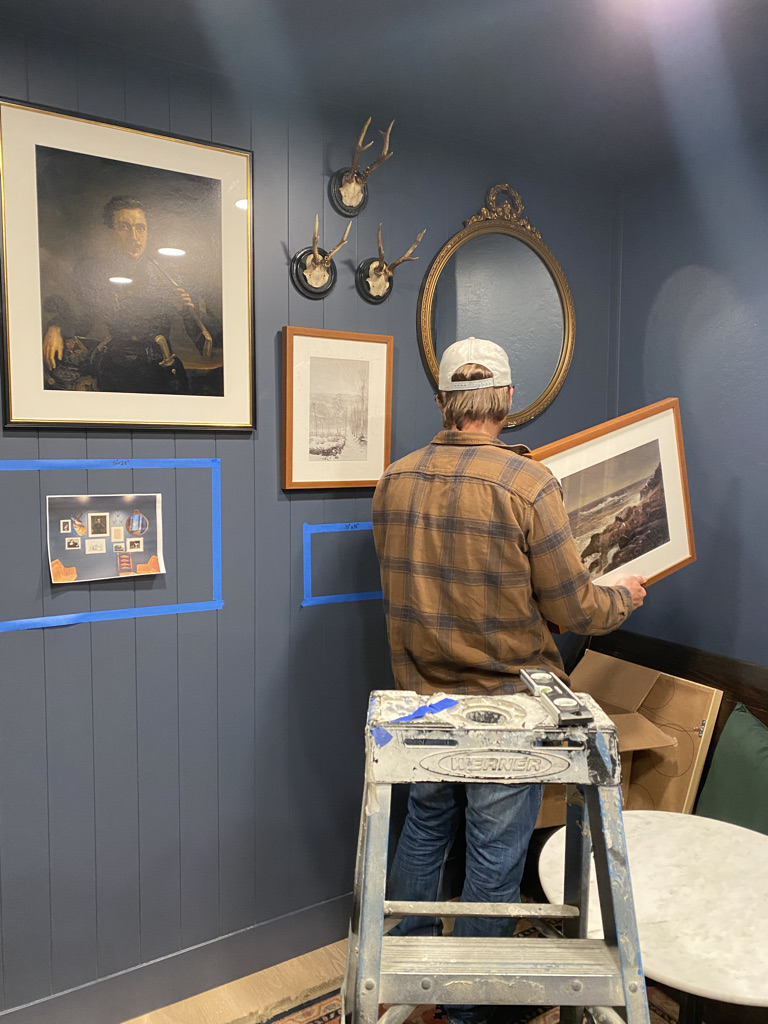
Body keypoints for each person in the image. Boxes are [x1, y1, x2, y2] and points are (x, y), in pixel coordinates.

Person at [371, 336, 647, 1024]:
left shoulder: (394, 479)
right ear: (507, 400)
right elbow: (576, 607)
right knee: (494, 858)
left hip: (423, 708)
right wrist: (626, 597)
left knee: (425, 830)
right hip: (509, 714)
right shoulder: (529, 483)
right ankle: (467, 1008)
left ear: (443, 400)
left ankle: (407, 981)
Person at [42, 195, 216, 394]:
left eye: (140, 228)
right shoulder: (99, 275)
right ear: (111, 232)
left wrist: (186, 310)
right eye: (124, 227)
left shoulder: (168, 275)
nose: (134, 237)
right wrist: (56, 326)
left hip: (162, 373)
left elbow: (208, 343)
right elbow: (84, 320)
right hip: (115, 373)